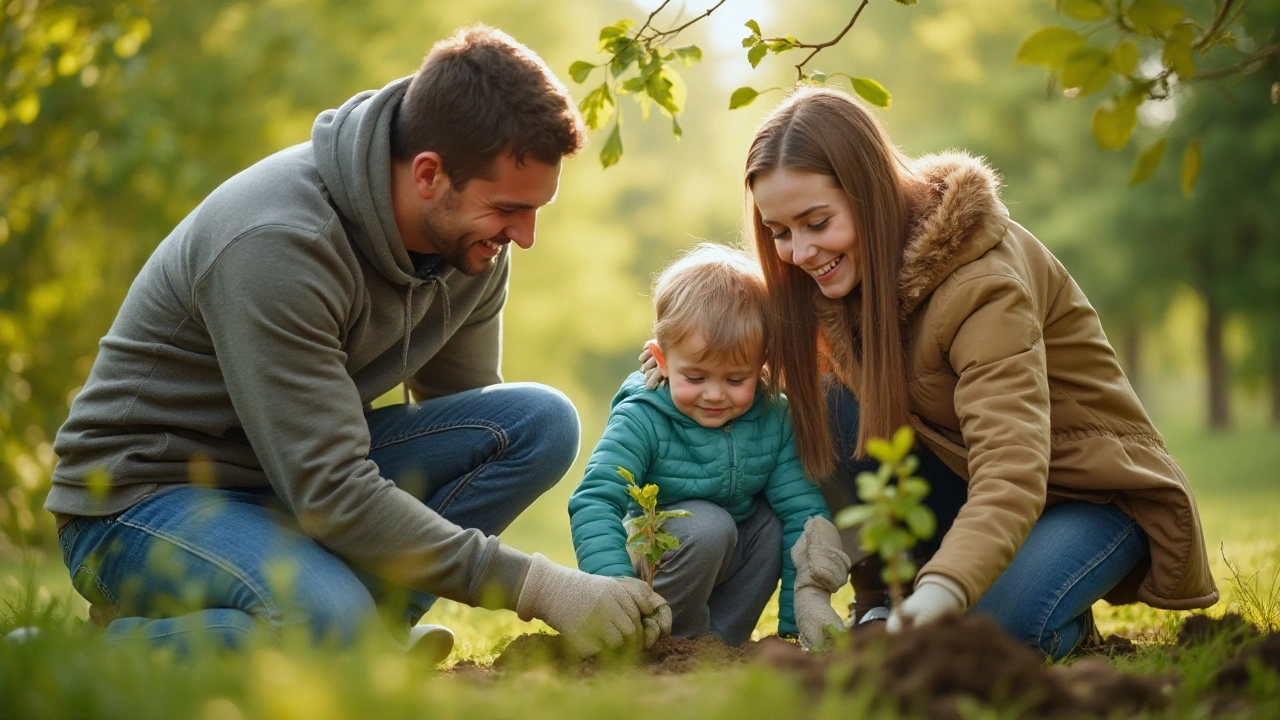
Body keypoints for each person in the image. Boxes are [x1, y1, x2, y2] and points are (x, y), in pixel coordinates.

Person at [45, 25, 669, 660]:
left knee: (540, 423)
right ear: (429, 173)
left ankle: (369, 632)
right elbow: (331, 489)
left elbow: (466, 426)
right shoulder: (279, 242)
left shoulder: (472, 247)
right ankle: (87, 652)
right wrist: (538, 588)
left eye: (536, 209)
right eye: (509, 208)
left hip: (285, 481)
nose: (526, 235)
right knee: (327, 624)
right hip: (141, 500)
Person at [742, 86, 1218, 659]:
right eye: (779, 232)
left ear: (869, 195)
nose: (800, 251)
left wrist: (942, 591)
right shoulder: (838, 276)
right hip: (962, 475)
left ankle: (1036, 603)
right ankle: (881, 601)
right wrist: (681, 353)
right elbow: (733, 344)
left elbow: (1012, 468)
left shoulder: (983, 286)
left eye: (817, 222)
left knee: (994, 635)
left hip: (1083, 495)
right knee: (826, 398)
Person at [569, 244, 848, 649]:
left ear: (762, 365)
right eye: (695, 378)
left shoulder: (772, 416)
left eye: (735, 380)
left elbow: (802, 511)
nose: (714, 395)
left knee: (772, 521)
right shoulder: (643, 417)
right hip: (659, 558)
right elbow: (595, 501)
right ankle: (661, 639)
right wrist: (617, 592)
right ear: (661, 361)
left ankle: (718, 644)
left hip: (729, 557)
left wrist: (799, 613)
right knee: (708, 525)